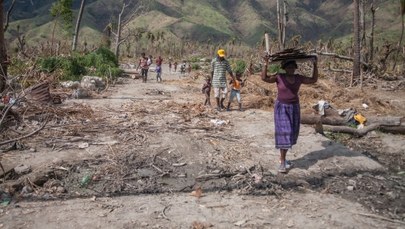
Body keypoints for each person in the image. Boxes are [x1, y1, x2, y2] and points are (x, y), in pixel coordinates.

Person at [261, 57, 318, 173]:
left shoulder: (298, 78)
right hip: (282, 107)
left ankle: (284, 158)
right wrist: (265, 64)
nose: (291, 69)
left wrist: (315, 65)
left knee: (291, 133)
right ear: (284, 68)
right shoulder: (279, 77)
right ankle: (282, 162)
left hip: (294, 108)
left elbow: (313, 80)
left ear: (295, 68)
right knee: (284, 133)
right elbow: (264, 78)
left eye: (292, 67)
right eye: (288, 67)